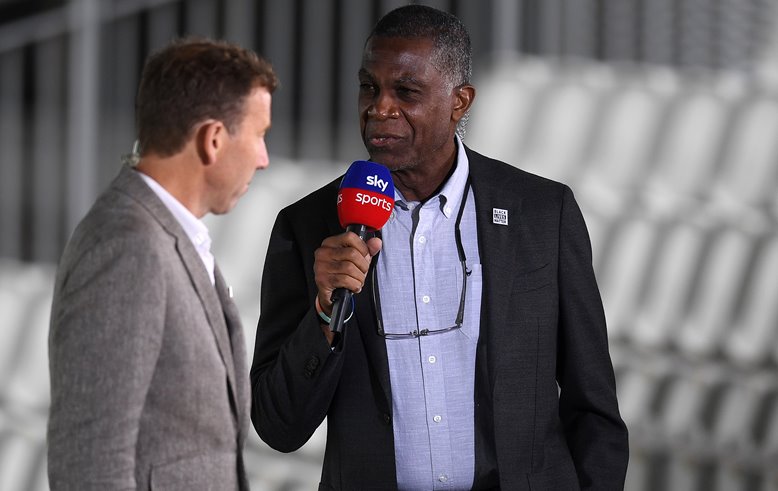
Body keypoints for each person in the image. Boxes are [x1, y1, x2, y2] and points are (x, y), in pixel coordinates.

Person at [251, 5, 628, 490]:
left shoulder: (542, 213)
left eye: (406, 92)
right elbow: (277, 426)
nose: (380, 108)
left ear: (459, 101)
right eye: (369, 87)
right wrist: (325, 313)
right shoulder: (307, 227)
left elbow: (593, 407)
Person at [47, 38, 278, 490]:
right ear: (213, 139)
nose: (264, 159)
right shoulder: (128, 246)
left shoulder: (162, 233)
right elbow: (89, 463)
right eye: (259, 135)